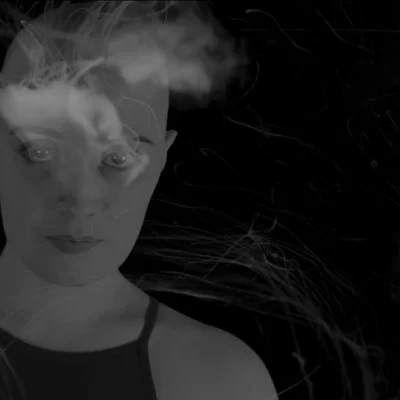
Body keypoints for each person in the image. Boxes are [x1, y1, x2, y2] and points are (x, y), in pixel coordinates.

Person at [0, 1, 385, 400]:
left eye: (119, 158)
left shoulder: (216, 381)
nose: (80, 199)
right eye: (39, 151)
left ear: (160, 162)